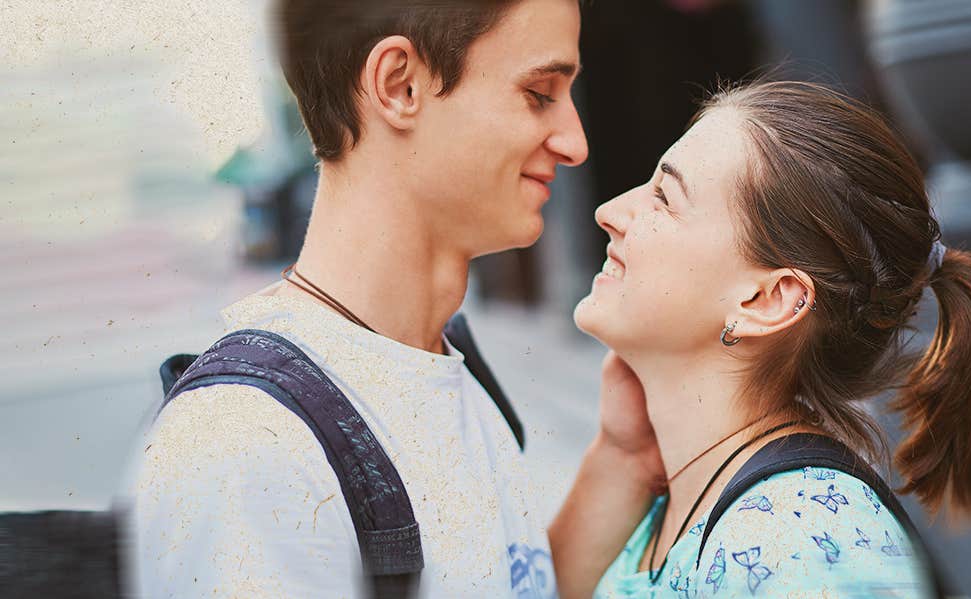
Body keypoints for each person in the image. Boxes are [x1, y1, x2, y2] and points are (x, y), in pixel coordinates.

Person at [127, 1, 664, 597]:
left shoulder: (436, 359)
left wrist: (623, 460)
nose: (575, 142)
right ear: (399, 85)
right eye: (539, 92)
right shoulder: (244, 447)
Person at [570, 80, 971, 597]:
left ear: (768, 301)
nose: (611, 211)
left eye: (664, 198)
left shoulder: (803, 549)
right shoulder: (673, 498)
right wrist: (619, 458)